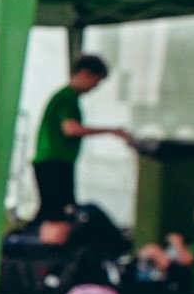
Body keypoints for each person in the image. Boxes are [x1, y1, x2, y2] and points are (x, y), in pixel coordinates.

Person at [31, 54, 130, 224]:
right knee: (57, 214)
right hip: (55, 161)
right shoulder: (67, 98)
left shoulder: (66, 97)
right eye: (96, 82)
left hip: (54, 160)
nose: (94, 88)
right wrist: (110, 131)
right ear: (85, 74)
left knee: (50, 211)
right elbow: (71, 129)